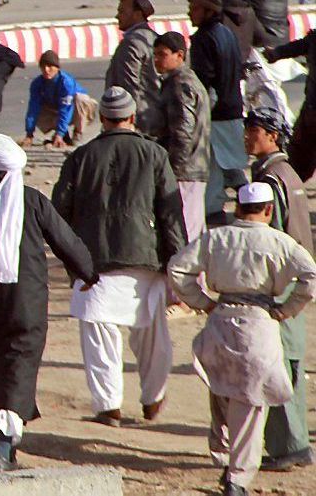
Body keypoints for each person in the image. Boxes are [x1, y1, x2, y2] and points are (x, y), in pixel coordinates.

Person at [0, 133, 98, 472]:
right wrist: (88, 274)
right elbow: (67, 243)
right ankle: (5, 446)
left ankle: (1, 433)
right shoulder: (34, 201)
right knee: (17, 367)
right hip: (23, 304)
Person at [167, 182, 316, 496]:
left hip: (220, 321)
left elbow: (178, 268)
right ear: (269, 210)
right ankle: (237, 479)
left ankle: (224, 459)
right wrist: (288, 309)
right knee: (250, 406)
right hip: (259, 325)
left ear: (238, 208)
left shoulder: (215, 238)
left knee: (221, 392)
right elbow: (310, 277)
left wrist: (203, 302)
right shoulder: (281, 243)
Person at [53, 86, 186, 428]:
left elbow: (59, 215)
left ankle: (108, 406)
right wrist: (178, 263)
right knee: (152, 336)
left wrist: (72, 263)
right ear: (131, 118)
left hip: (94, 262)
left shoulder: (80, 158)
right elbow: (171, 213)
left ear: (102, 119)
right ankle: (153, 399)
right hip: (146, 257)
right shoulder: (155, 154)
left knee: (100, 338)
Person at [243, 108, 315, 471]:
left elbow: (270, 237)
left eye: (253, 130)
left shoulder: (271, 179)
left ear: (273, 135)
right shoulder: (290, 173)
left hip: (282, 284)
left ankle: (288, 447)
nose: (247, 136)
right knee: (292, 362)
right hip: (299, 279)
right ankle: (297, 442)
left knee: (278, 366)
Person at [187, 0, 247, 224]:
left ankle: (213, 212)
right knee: (230, 165)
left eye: (194, 8)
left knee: (213, 165)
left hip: (216, 114)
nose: (189, 13)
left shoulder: (203, 38)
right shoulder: (227, 33)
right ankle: (250, 201)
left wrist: (199, 114)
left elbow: (205, 82)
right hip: (232, 109)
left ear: (208, 11)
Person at [153, 32, 211, 250]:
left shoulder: (180, 85)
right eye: (155, 54)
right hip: (193, 167)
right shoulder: (183, 81)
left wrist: (171, 171)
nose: (157, 59)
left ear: (179, 55)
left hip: (185, 170)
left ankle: (191, 283)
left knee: (185, 232)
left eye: (162, 54)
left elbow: (182, 133)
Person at [263, 28, 316, 182]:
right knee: (298, 158)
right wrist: (276, 53)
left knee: (299, 157)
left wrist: (276, 53)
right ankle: (290, 187)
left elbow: (298, 46)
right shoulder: (313, 39)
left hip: (311, 110)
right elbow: (298, 46)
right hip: (311, 110)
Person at [105, 0, 161, 135]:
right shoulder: (153, 38)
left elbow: (129, 86)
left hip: (138, 121)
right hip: (154, 115)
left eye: (122, 12)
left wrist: (127, 121)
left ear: (137, 14)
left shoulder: (131, 43)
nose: (117, 16)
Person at [21, 50, 97, 148]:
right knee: (39, 108)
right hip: (55, 111)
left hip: (75, 111)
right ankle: (63, 135)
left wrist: (59, 133)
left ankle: (77, 133)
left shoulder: (66, 83)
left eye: (50, 66)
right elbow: (33, 109)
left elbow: (66, 109)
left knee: (81, 99)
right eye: (43, 67)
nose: (46, 70)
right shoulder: (37, 84)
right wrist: (29, 134)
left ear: (57, 68)